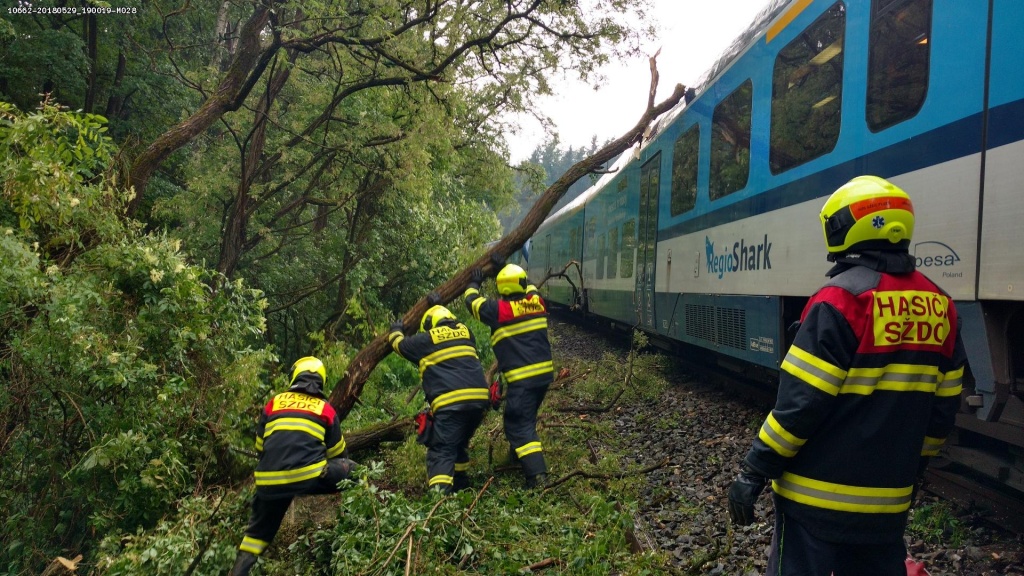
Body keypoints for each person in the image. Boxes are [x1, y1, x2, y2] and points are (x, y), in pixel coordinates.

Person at [727, 175, 967, 576]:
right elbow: (942, 413)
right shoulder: (941, 307)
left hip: (814, 505)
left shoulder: (840, 301)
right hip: (886, 509)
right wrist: (910, 467)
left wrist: (754, 469)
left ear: (844, 228)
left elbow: (799, 406)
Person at [230, 356, 357, 576]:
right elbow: (338, 454)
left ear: (295, 376)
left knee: (255, 537)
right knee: (356, 471)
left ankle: (238, 571)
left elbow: (260, 448)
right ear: (321, 381)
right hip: (308, 477)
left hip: (268, 483)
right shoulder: (325, 409)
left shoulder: (274, 403)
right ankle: (354, 531)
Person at [463, 263, 554, 488]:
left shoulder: (498, 311)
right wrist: (504, 267)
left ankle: (538, 477)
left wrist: (474, 282)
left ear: (501, 289)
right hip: (543, 377)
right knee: (526, 418)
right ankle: (518, 459)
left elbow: (471, 302)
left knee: (518, 424)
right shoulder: (537, 302)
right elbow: (531, 286)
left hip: (522, 380)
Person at [388, 305, 490, 493]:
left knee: (441, 449)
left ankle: (440, 499)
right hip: (479, 402)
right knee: (458, 444)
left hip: (452, 405)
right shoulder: (466, 333)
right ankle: (460, 486)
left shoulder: (425, 340)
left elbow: (399, 345)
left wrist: (395, 329)